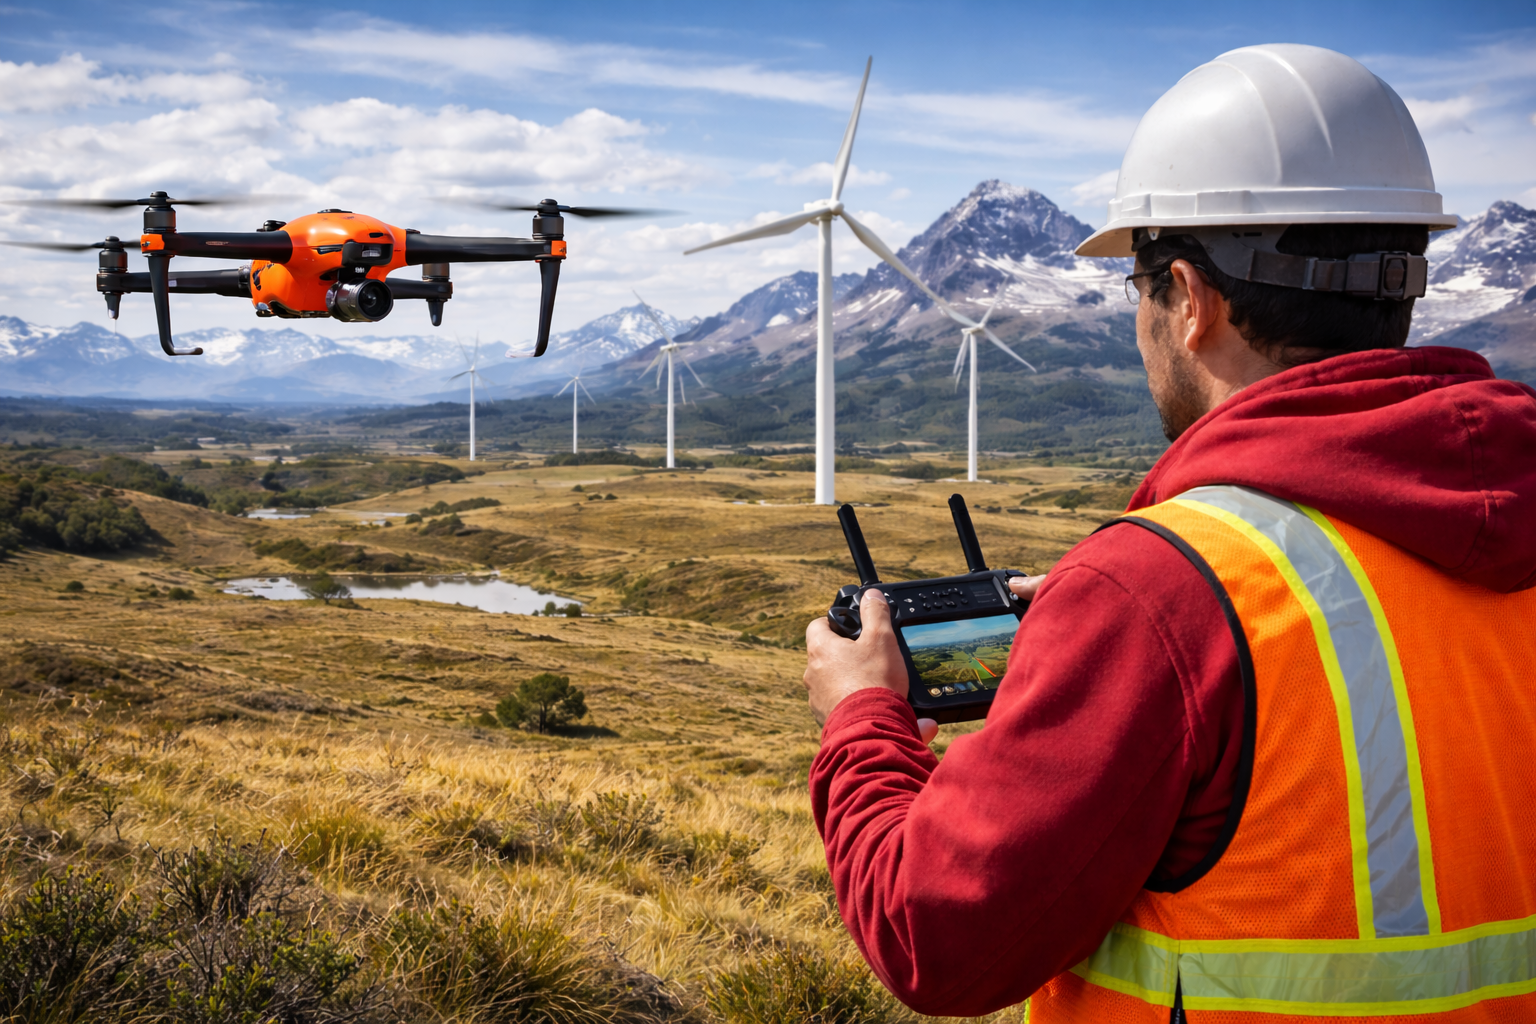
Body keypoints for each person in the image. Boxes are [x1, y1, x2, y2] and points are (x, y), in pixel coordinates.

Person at [802, 43, 1536, 1022]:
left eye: (1139, 289)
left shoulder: (1163, 600)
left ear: (1190, 301)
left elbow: (934, 935)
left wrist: (860, 719)